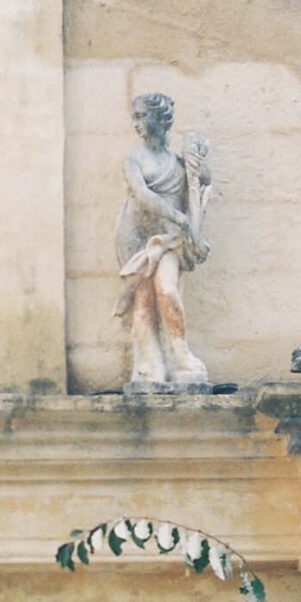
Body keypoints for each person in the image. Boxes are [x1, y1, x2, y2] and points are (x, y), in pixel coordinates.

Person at [115, 91, 212, 387]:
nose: (136, 124)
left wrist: (198, 164)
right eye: (135, 117)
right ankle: (149, 366)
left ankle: (180, 355)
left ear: (160, 119)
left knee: (167, 289)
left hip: (168, 239)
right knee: (143, 300)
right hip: (136, 237)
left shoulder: (177, 164)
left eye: (142, 116)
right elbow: (143, 196)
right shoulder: (134, 159)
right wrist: (179, 218)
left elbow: (204, 179)